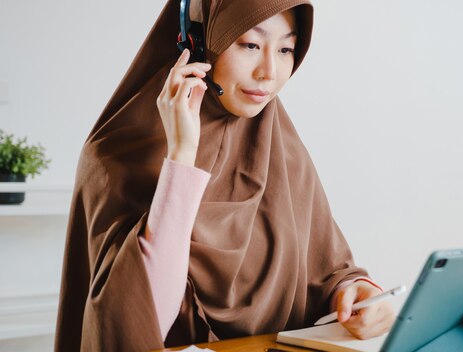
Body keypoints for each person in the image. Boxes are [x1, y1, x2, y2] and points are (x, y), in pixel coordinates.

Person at [54, 0, 394, 351]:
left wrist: (358, 293)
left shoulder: (283, 150)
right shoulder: (113, 156)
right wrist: (182, 158)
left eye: (286, 49)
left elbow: (328, 271)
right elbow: (135, 323)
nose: (269, 71)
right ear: (198, 44)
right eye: (249, 44)